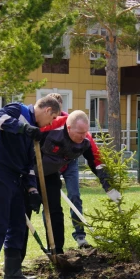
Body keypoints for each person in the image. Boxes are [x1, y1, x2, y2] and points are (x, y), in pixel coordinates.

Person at [0, 96, 61, 279]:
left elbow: (29, 164)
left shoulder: (34, 131)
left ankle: (13, 273)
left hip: (16, 179)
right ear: (48, 110)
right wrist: (23, 128)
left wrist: (32, 189)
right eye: (53, 118)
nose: (50, 123)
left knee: (18, 226)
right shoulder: (18, 110)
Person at [26, 110, 121, 254]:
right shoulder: (50, 128)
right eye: (80, 133)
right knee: (24, 213)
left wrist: (110, 188)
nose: (83, 136)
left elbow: (97, 162)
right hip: (27, 172)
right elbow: (23, 146)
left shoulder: (86, 140)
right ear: (69, 128)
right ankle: (15, 263)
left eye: (86, 132)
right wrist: (30, 185)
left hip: (50, 174)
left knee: (55, 211)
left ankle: (57, 251)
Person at [45, 93, 89, 247]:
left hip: (70, 163)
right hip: (52, 166)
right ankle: (53, 241)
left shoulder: (69, 121)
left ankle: (80, 235)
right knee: (51, 201)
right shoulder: (46, 124)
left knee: (75, 195)